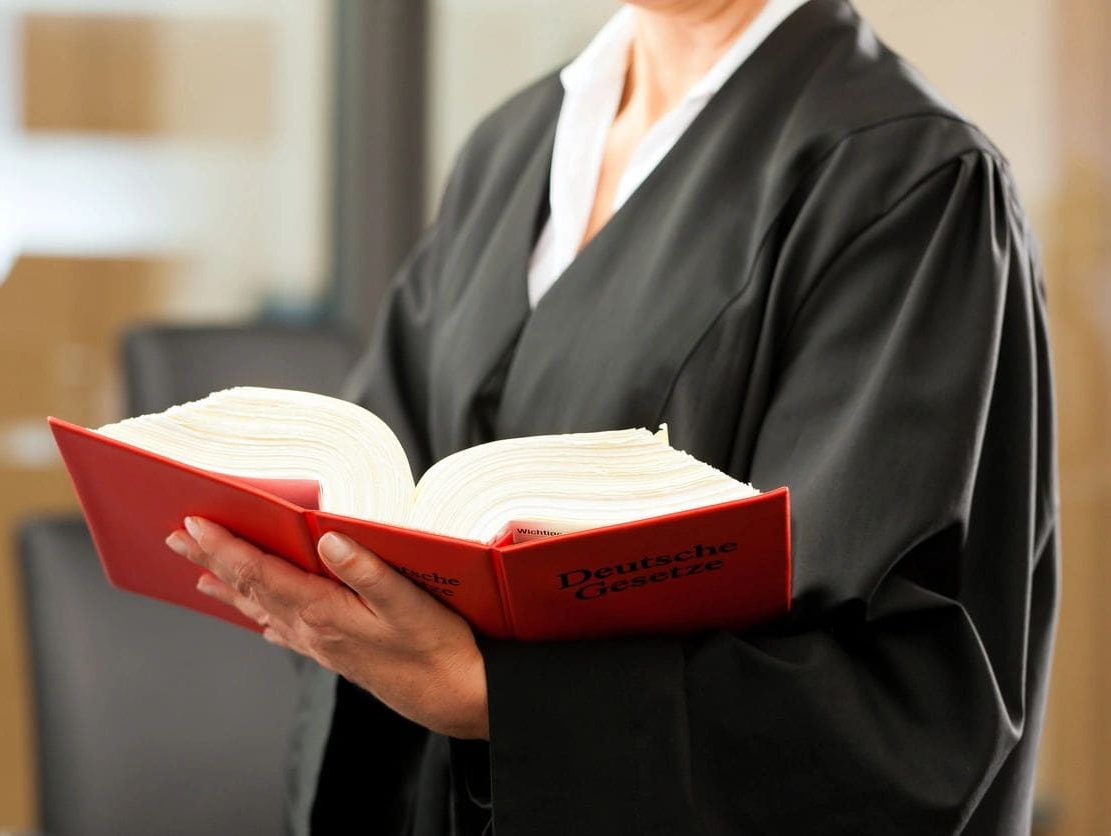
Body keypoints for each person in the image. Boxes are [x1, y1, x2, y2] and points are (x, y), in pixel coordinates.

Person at [164, 0, 1057, 833]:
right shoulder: (511, 150)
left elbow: (907, 711)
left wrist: (496, 700)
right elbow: (382, 491)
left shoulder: (910, 184)